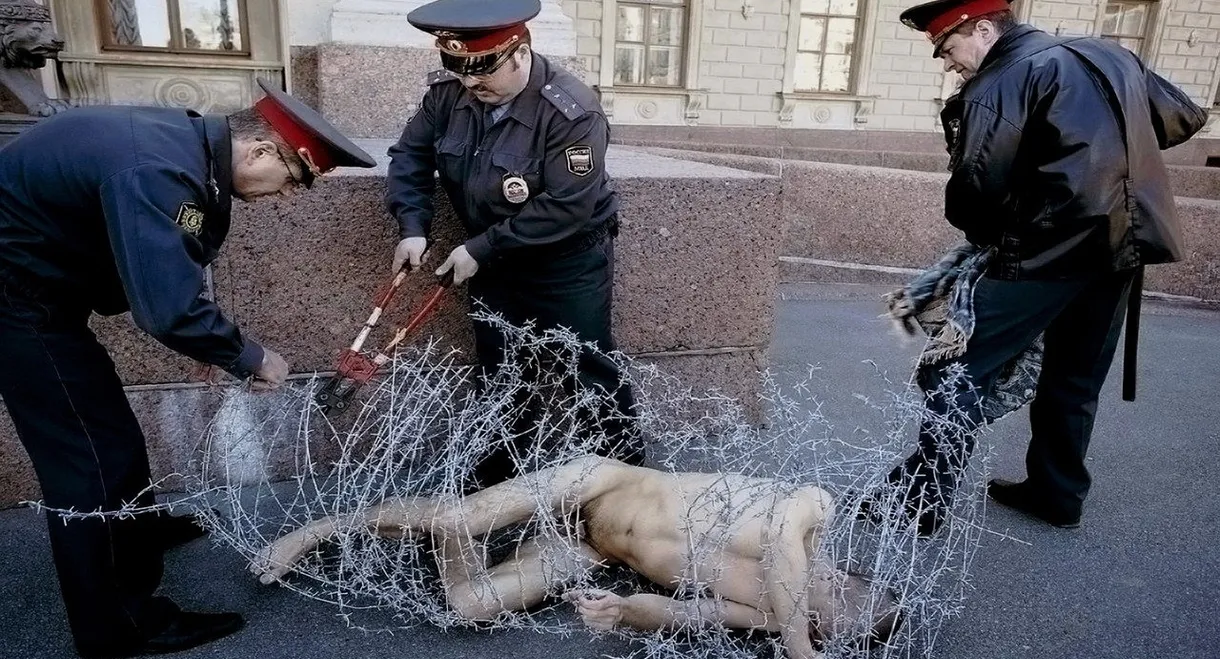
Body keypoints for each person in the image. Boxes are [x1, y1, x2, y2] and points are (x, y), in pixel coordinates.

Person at [0, 79, 376, 657]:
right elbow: (167, 308)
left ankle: (131, 531)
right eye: (294, 182)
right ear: (259, 152)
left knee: (108, 435)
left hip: (36, 290)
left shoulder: (185, 149)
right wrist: (246, 355)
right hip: (16, 303)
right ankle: (121, 626)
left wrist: (203, 342)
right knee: (92, 458)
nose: (286, 198)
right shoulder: (160, 170)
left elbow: (170, 257)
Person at [872, 0, 1208, 535]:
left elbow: (975, 189)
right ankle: (1057, 494)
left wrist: (991, 240)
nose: (946, 63)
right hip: (1122, 245)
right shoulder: (1108, 53)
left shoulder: (1001, 80)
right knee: (1074, 374)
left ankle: (919, 502)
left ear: (983, 29)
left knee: (953, 369)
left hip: (1043, 250)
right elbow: (1185, 117)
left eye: (947, 48)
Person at [252, 456, 904, 659]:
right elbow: (784, 541)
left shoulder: (766, 613)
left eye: (833, 622)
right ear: (846, 576)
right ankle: (321, 528)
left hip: (588, 546)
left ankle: (442, 536)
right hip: (595, 482)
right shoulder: (812, 514)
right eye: (847, 594)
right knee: (461, 515)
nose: (830, 601)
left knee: (468, 603)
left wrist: (625, 609)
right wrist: (799, 649)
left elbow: (681, 613)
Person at [385, 0, 644, 491]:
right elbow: (410, 155)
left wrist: (480, 249)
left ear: (519, 53)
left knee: (586, 369)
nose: (470, 83)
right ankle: (497, 487)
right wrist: (413, 225)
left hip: (566, 262)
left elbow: (569, 205)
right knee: (501, 373)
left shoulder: (571, 109)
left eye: (482, 71)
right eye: (458, 70)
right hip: (491, 260)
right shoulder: (448, 95)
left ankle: (625, 487)